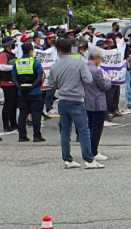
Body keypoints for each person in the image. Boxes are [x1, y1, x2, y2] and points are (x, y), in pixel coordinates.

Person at [47, 38, 102, 169]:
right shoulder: (79, 62)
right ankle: (89, 160)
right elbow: (88, 79)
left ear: (59, 50)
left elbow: (51, 84)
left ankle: (67, 159)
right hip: (77, 100)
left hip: (63, 100)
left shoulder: (55, 65)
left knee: (65, 131)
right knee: (83, 130)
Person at [12, 42, 46, 142]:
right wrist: (32, 87)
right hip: (34, 91)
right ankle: (37, 136)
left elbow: (14, 77)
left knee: (22, 113)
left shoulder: (17, 62)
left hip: (21, 92)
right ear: (31, 51)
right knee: (36, 114)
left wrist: (19, 87)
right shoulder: (35, 62)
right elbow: (39, 77)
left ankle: (22, 136)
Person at [83, 46, 112, 160]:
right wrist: (109, 79)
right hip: (97, 102)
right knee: (97, 128)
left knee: (88, 127)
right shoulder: (97, 71)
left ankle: (87, 149)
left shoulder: (83, 68)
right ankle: (94, 151)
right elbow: (104, 86)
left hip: (86, 100)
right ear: (97, 58)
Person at [0, 36, 18, 132]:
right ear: (9, 44)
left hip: (13, 82)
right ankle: (6, 125)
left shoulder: (11, 54)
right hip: (6, 82)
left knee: (13, 104)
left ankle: (13, 123)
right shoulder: (3, 54)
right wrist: (15, 66)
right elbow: (2, 67)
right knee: (8, 104)